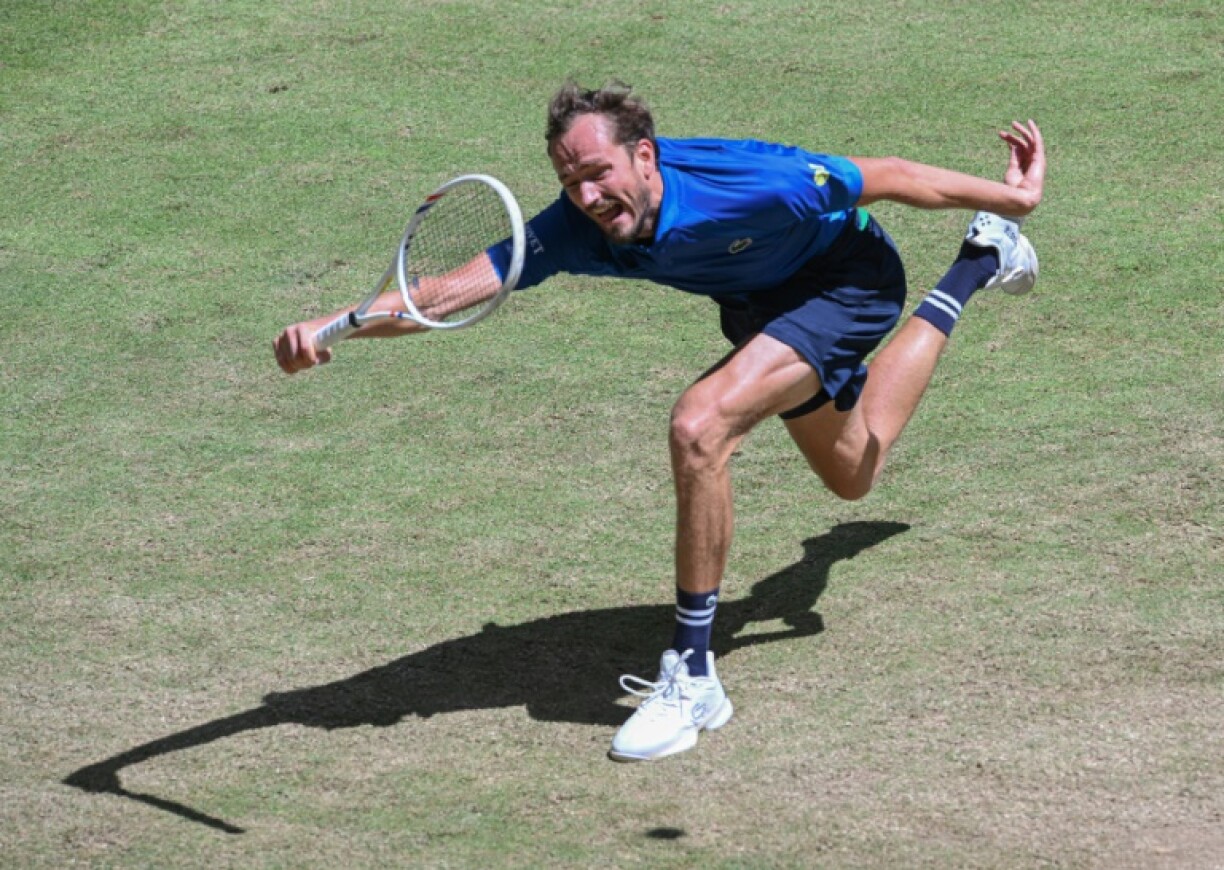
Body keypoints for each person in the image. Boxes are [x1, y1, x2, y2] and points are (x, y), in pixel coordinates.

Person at [274, 81, 1045, 763]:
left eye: (598, 172)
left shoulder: (754, 182)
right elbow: (442, 293)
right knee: (853, 473)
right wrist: (336, 325)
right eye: (569, 180)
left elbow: (890, 178)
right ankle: (981, 259)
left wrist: (1015, 196)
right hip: (760, 311)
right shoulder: (576, 227)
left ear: (644, 156)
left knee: (700, 426)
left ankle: (693, 676)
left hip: (846, 285)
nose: (585, 196)